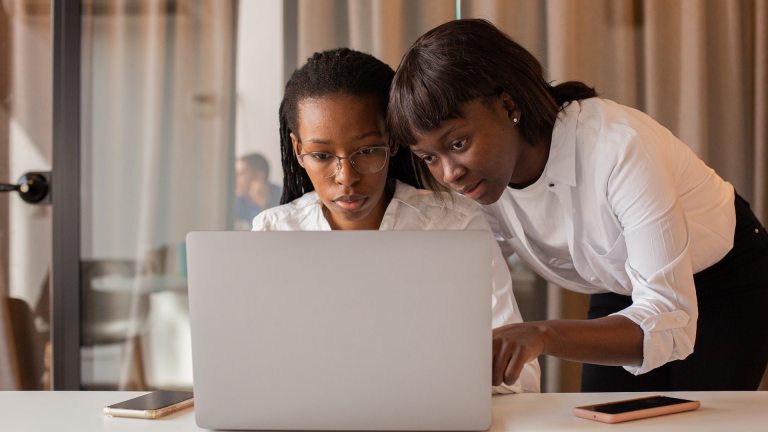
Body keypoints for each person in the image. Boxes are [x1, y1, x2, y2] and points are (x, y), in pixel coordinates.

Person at [387, 19, 768, 392]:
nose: (449, 173)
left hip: (725, 279)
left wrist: (541, 334)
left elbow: (670, 318)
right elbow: (462, 279)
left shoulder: (619, 147)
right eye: (428, 157)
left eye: (457, 143)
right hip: (620, 286)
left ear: (507, 105)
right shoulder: (474, 183)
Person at [252, 47, 540, 393]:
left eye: (367, 151)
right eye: (322, 155)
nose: (346, 178)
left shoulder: (454, 226)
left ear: (391, 141)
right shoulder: (272, 233)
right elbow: (257, 372)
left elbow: (520, 379)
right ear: (298, 149)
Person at [235, 152, 282, 229]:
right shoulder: (237, 200)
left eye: (241, 174)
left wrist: (263, 205)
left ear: (259, 176)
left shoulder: (284, 197)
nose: (235, 179)